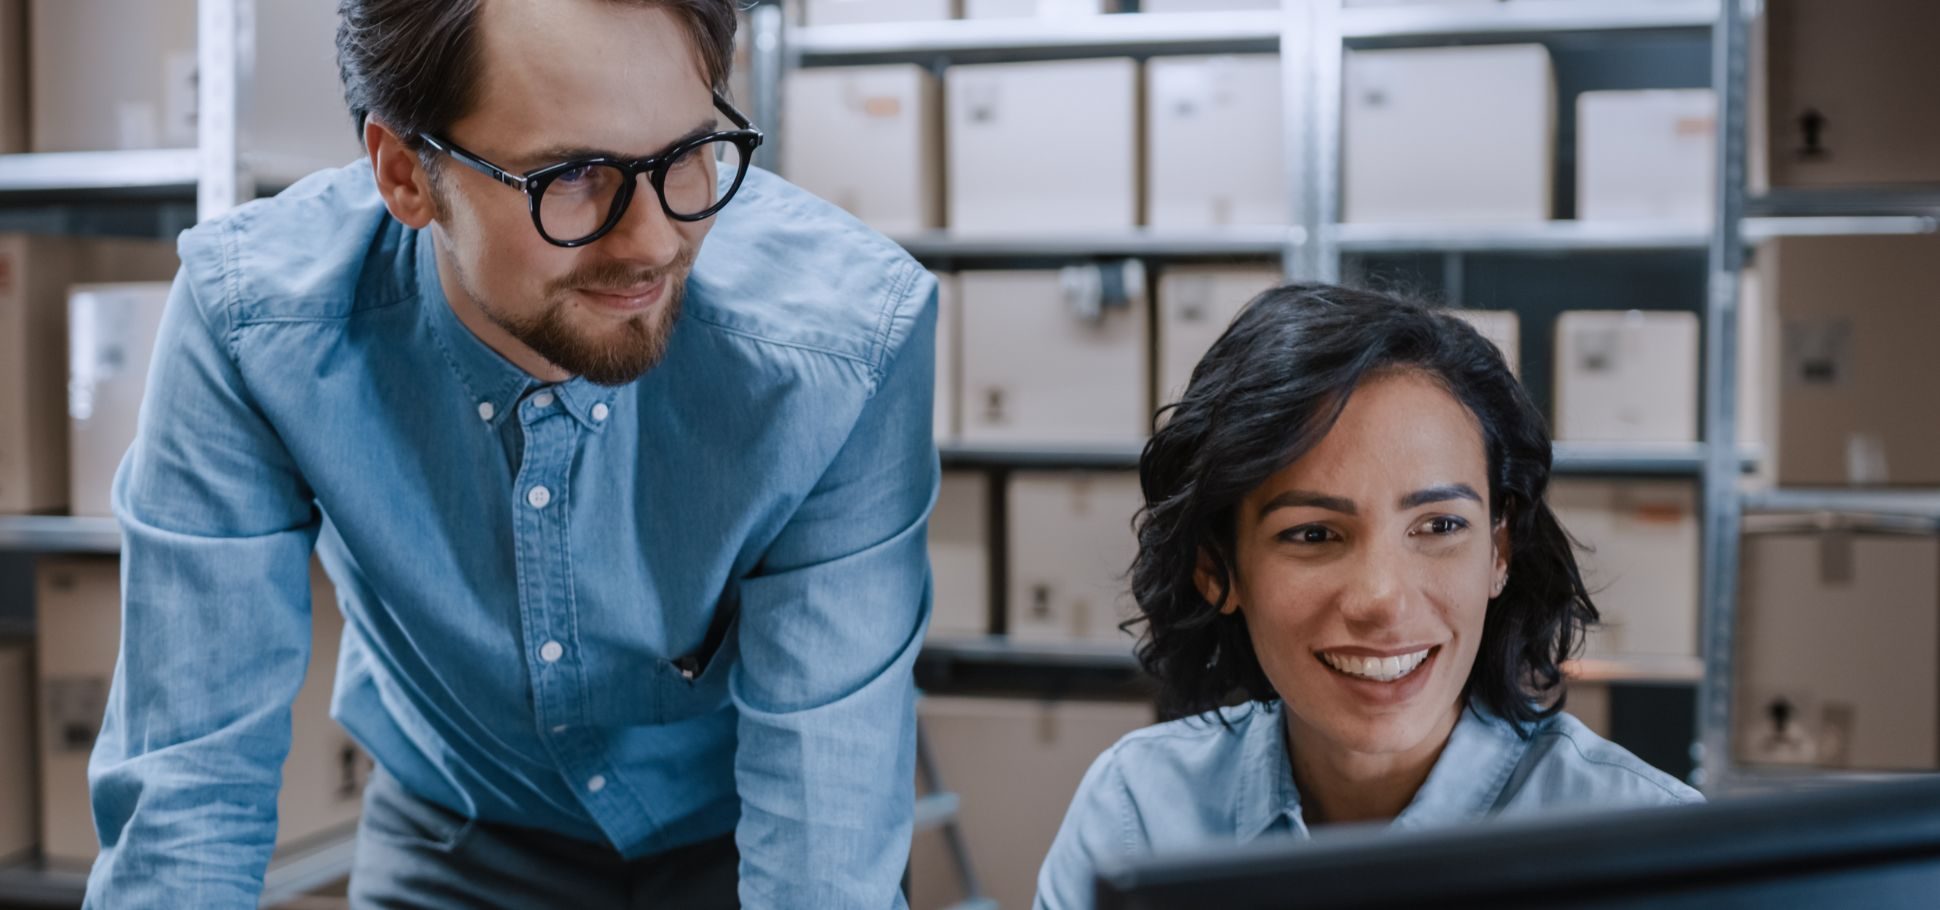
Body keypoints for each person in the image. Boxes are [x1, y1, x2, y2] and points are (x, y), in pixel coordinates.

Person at [85, 1, 937, 907]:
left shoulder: (845, 354)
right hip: (458, 834)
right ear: (405, 172)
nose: (653, 243)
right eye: (571, 176)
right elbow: (190, 801)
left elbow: (821, 860)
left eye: (686, 153)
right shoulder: (255, 329)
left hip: (739, 837)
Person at [1034, 284, 1702, 909]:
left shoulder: (1660, 855)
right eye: (1314, 533)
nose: (1382, 599)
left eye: (1440, 526)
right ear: (1218, 569)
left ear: (1500, 551)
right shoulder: (1138, 817)